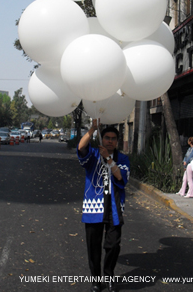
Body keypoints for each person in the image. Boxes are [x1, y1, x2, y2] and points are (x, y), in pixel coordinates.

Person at [77, 119, 130, 292]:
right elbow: (80, 148)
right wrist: (93, 128)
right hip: (94, 207)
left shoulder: (122, 158)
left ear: (117, 141)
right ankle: (96, 280)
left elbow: (121, 177)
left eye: (113, 138)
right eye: (106, 137)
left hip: (114, 208)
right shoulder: (93, 154)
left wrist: (108, 159)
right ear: (103, 139)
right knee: (93, 247)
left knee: (113, 245)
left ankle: (109, 276)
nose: (109, 141)